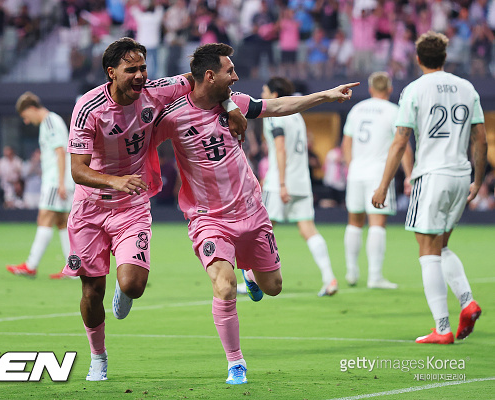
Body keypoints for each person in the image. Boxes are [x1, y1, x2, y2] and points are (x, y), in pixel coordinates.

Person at [152, 43, 358, 384]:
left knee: (273, 287)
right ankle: (236, 363)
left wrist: (326, 95)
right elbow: (139, 134)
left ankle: (250, 272)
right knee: (224, 286)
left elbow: (278, 105)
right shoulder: (173, 116)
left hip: (251, 211)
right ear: (209, 76)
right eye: (229, 71)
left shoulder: (235, 103)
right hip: (208, 218)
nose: (236, 76)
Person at [59, 37, 247, 382]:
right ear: (111, 72)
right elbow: (77, 170)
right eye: (131, 69)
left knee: (133, 286)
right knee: (91, 291)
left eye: (143, 68)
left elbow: (206, 79)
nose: (140, 76)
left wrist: (231, 105)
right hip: (90, 209)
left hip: (131, 206)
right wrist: (115, 181)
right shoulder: (88, 107)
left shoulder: (157, 91)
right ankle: (98, 357)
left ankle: (124, 285)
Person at [372, 32, 487, 344]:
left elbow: (400, 140)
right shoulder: (467, 88)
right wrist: (478, 180)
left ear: (418, 59)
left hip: (432, 174)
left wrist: (383, 185)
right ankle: (467, 302)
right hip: (461, 175)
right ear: (445, 58)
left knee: (427, 249)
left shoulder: (414, 89)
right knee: (441, 244)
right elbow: (480, 139)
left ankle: (442, 328)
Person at [259, 76, 338, 297]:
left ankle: (251, 280)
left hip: (280, 183)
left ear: (275, 95)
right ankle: (329, 278)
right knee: (309, 230)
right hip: (302, 182)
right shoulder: (297, 116)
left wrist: (281, 182)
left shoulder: (273, 114)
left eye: (265, 91)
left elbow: (280, 148)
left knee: (260, 231)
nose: (262, 95)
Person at [342, 72, 413, 289]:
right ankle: (375, 277)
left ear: (370, 89)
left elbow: (346, 143)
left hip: (356, 171)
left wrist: (351, 166)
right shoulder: (394, 111)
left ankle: (351, 272)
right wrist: (409, 175)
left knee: (354, 222)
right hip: (379, 173)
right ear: (389, 89)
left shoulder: (357, 109)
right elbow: (402, 145)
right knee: (377, 223)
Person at [7, 92, 75, 279]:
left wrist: (60, 183)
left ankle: (31, 265)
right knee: (62, 222)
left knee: (44, 217)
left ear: (31, 108)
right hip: (60, 180)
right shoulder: (51, 121)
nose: (26, 121)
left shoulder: (50, 122)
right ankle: (73, 268)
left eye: (25, 116)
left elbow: (61, 152)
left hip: (55, 181)